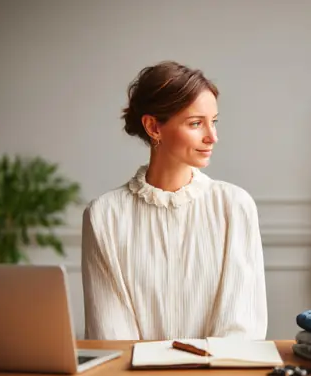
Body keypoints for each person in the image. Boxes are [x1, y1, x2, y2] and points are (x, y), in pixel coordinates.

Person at [81, 61, 268, 341]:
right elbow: (110, 335)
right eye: (196, 123)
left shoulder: (235, 206)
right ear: (153, 127)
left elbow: (242, 328)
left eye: (213, 121)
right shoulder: (104, 215)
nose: (212, 136)